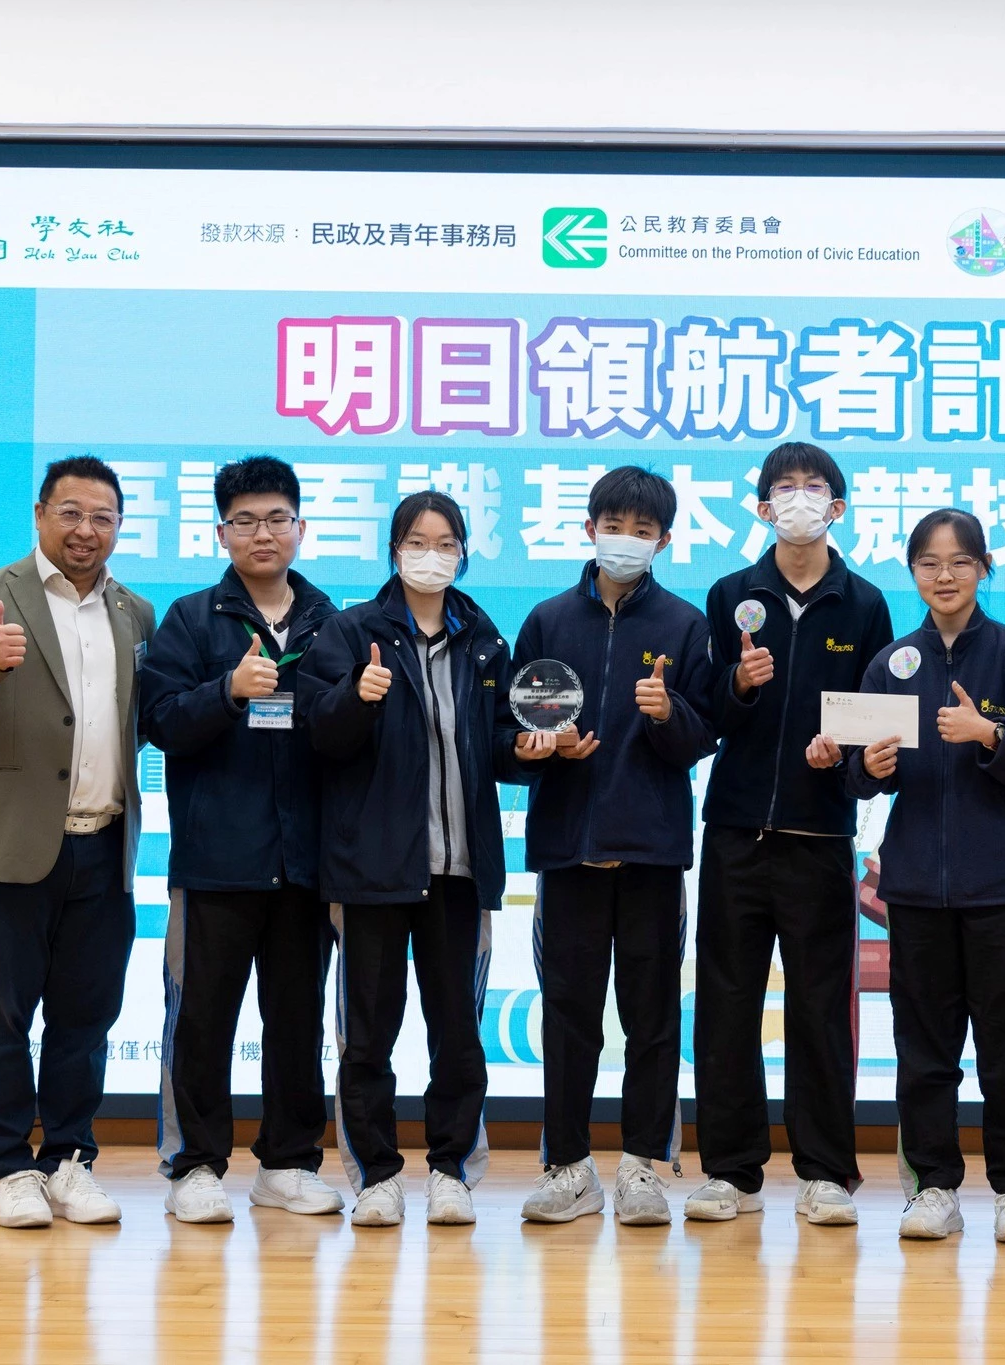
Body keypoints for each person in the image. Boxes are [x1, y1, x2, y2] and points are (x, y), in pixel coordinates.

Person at [0, 456, 156, 1230]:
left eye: (103, 517)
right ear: (40, 514)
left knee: (86, 1020)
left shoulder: (135, 611)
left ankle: (68, 1159)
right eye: (71, 512)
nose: (86, 529)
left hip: (106, 847)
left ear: (119, 527)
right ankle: (8, 1167)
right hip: (7, 850)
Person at [296, 491, 545, 1229]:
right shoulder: (351, 632)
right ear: (394, 550)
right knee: (367, 1035)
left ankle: (450, 1171)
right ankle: (376, 1175)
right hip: (372, 869)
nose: (430, 555)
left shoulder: (484, 639)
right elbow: (318, 734)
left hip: (460, 870)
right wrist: (357, 696)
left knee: (458, 1034)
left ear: (463, 553)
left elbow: (497, 742)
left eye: (445, 543)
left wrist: (529, 749)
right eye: (416, 541)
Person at [840, 508, 1005, 1244]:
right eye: (929, 563)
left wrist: (991, 734)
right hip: (914, 889)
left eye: (960, 562)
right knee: (924, 1051)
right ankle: (931, 1187)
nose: (945, 576)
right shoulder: (891, 663)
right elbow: (857, 772)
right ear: (913, 573)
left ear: (983, 569)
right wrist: (869, 766)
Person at [686, 442, 894, 1227]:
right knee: (726, 1005)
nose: (799, 499)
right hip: (736, 830)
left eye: (814, 488)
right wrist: (738, 686)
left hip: (820, 834)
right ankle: (731, 1172)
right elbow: (707, 715)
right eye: (785, 487)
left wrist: (843, 758)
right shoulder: (731, 595)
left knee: (819, 1009)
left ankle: (826, 1171)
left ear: (837, 508)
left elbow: (874, 726)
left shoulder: (866, 603)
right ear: (762, 506)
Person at [509, 467, 717, 1227]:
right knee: (568, 1017)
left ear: (665, 541)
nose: (626, 539)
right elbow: (511, 735)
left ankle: (640, 1168)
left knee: (652, 1019)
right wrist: (541, 748)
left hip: (651, 853)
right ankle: (568, 1167)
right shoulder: (546, 621)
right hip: (569, 850)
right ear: (589, 527)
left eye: (642, 529)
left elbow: (703, 736)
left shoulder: (685, 625)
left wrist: (667, 714)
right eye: (614, 525)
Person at [137, 456, 342, 1223]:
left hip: (305, 864)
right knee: (201, 1021)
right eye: (246, 520)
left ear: (300, 527)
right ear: (221, 532)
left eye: (277, 518)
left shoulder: (331, 621)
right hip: (216, 861)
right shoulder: (192, 619)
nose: (264, 533)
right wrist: (226, 691)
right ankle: (194, 1165)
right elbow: (160, 722)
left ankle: (287, 1163)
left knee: (297, 1022)